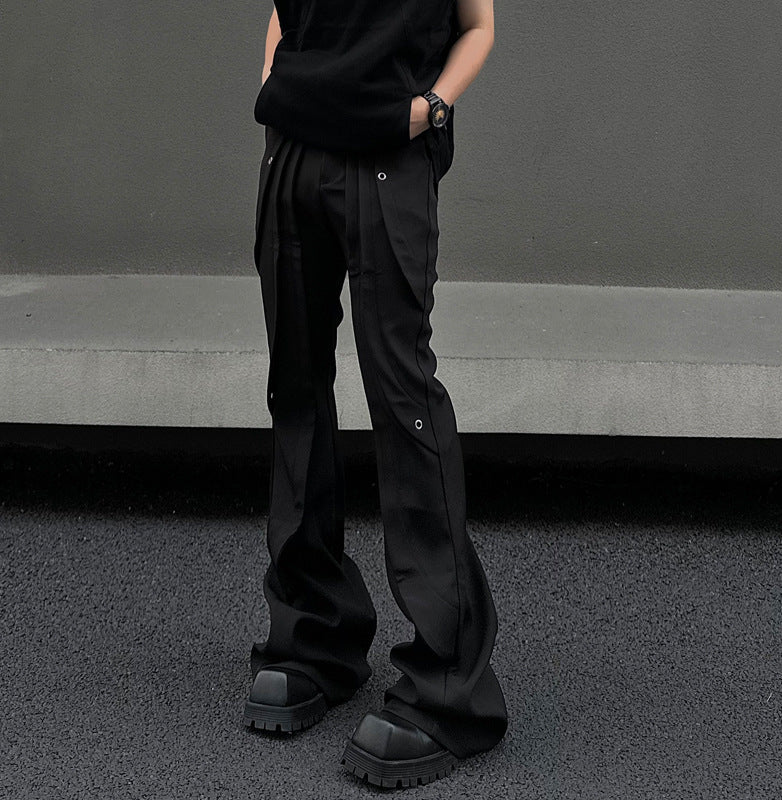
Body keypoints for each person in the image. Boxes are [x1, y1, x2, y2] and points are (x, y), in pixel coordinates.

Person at [243, 0, 505, 788]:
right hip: (293, 152)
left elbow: (478, 26)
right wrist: (274, 80)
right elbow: (284, 10)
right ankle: (313, 637)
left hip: (389, 157)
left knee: (403, 403)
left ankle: (450, 689)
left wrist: (429, 110)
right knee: (295, 392)